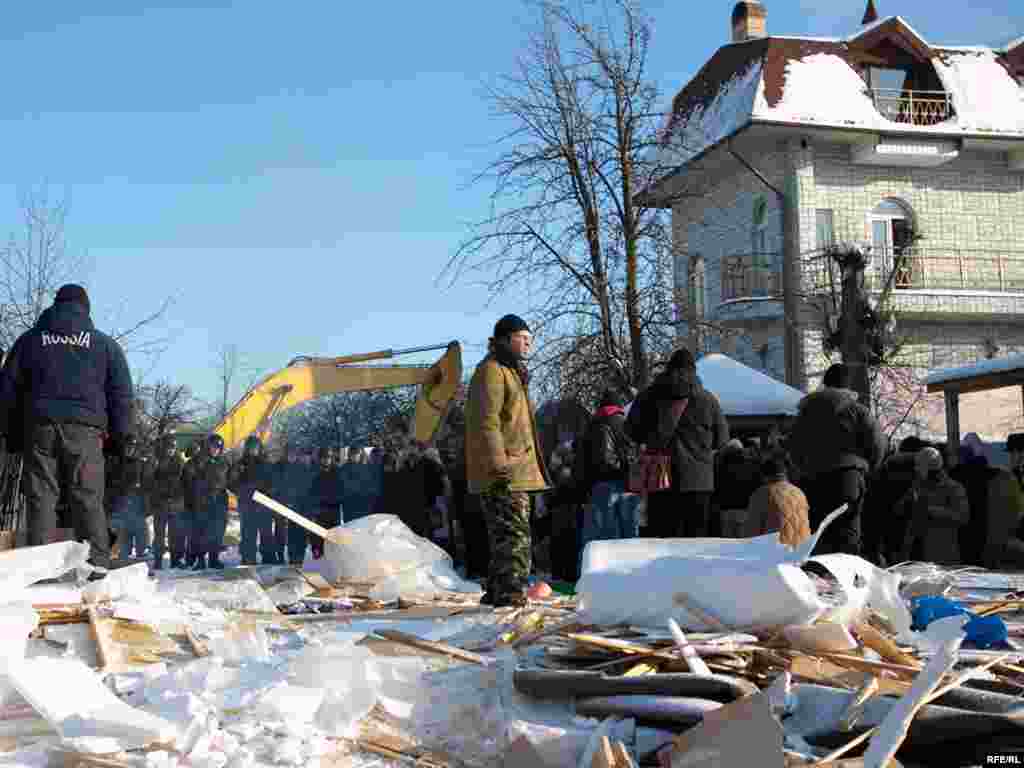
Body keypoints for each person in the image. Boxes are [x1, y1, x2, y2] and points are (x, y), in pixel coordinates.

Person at [0, 284, 133, 573]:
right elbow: (121, 394)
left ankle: (41, 573)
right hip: (86, 431)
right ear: (85, 309)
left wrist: (11, 434)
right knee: (87, 497)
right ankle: (96, 567)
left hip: (40, 428)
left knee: (41, 498)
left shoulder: (29, 341)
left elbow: (7, 390)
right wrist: (120, 439)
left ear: (56, 305)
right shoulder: (104, 345)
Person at [465, 314, 550, 608]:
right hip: (504, 471)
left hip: (514, 468)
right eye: (522, 338)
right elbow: (485, 422)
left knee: (507, 535)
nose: (528, 343)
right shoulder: (492, 371)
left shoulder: (510, 370)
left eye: (530, 339)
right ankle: (510, 595)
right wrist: (499, 464)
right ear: (504, 338)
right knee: (514, 536)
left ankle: (500, 592)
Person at [625, 348, 730, 538]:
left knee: (662, 539)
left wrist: (651, 438)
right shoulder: (708, 400)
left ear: (668, 369)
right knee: (696, 542)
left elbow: (631, 431)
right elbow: (722, 439)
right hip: (699, 482)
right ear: (693, 371)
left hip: (660, 478)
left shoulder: (647, 397)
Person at [787, 362, 886, 556]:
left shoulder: (805, 412)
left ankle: (819, 580)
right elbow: (877, 444)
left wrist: (804, 468)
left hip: (812, 479)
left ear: (825, 383)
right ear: (847, 386)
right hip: (847, 477)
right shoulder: (857, 411)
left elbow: (793, 445)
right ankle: (845, 580)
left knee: (817, 534)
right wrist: (866, 468)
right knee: (848, 533)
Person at [577, 389, 639, 559]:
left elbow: (603, 459)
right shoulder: (627, 424)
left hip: (603, 485)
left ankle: (591, 580)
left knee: (597, 541)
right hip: (629, 487)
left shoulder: (597, 424)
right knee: (628, 537)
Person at [896, 447, 969, 565]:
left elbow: (962, 516)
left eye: (919, 467)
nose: (917, 471)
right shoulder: (917, 486)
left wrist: (932, 510)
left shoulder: (953, 488)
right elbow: (899, 510)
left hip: (941, 554)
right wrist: (906, 505)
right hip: (915, 553)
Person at [746, 452, 811, 548]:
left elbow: (752, 531)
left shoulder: (761, 494)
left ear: (764, 475)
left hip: (776, 552)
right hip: (802, 549)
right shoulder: (799, 492)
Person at [189, 433, 231, 570]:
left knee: (217, 532)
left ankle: (214, 559)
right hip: (203, 501)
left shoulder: (224, 462)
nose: (215, 450)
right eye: (213, 447)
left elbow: (231, 480)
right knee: (201, 532)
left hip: (219, 501)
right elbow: (189, 479)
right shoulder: (199, 461)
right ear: (208, 447)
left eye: (218, 447)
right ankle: (200, 560)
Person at [231, 435, 275, 565]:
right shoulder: (240, 464)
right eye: (250, 447)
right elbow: (232, 482)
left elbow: (272, 482)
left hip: (263, 504)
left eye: (255, 447)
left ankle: (268, 556)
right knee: (248, 532)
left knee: (266, 532)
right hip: (247, 504)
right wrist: (243, 491)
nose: (253, 450)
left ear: (259, 448)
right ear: (246, 448)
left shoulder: (265, 463)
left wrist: (268, 492)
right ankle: (248, 557)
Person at [107, 434, 150, 561]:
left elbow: (147, 484)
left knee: (142, 539)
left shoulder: (141, 463)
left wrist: (146, 505)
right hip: (120, 504)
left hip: (137, 505)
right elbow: (109, 483)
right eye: (128, 446)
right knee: (122, 541)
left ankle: (143, 564)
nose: (130, 449)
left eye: (132, 446)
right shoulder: (115, 462)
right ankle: (121, 562)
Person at [149, 435, 185, 570]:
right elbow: (150, 481)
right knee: (159, 535)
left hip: (176, 504)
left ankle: (175, 560)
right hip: (160, 504)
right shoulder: (156, 461)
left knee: (175, 535)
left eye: (173, 447)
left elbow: (185, 482)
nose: (171, 450)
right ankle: (158, 560)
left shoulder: (180, 462)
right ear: (164, 447)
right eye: (169, 447)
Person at [308, 445, 343, 559]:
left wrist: (336, 501)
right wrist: (314, 507)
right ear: (319, 459)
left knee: (332, 539)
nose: (326, 459)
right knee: (317, 539)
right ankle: (318, 555)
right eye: (323, 457)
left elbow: (341, 490)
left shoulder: (336, 472)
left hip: (333, 510)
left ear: (331, 458)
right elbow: (310, 491)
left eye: (328, 457)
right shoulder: (314, 471)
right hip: (318, 510)